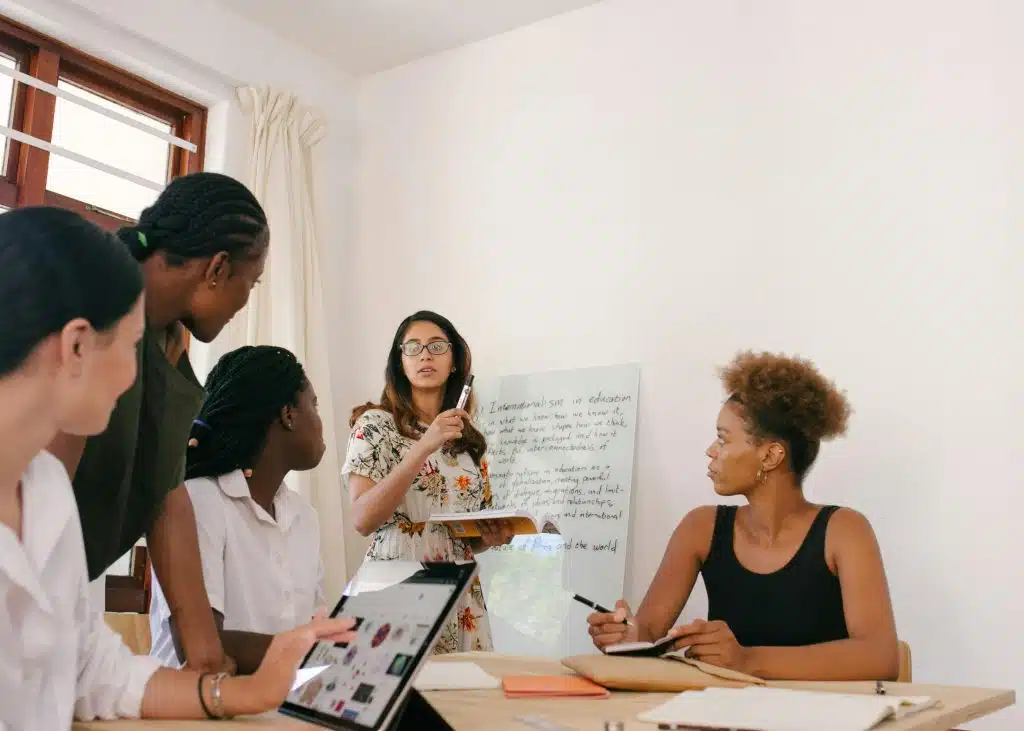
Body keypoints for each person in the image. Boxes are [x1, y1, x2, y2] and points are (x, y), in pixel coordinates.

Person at [0, 207, 353, 729]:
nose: (140, 376)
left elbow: (97, 671)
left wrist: (246, 692)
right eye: (131, 346)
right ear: (76, 345)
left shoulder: (48, 490)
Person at [46, 172, 269, 674]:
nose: (245, 301)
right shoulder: (96, 304)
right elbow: (41, 496)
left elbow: (167, 500)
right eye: (250, 283)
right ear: (217, 268)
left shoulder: (166, 343)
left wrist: (208, 661)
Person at [587, 351, 899, 681]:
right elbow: (648, 632)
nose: (711, 450)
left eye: (723, 438)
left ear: (770, 455)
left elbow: (880, 657)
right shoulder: (700, 528)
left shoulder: (845, 531)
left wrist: (747, 660)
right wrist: (627, 637)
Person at [150, 345, 328, 674]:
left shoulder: (304, 516)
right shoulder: (199, 501)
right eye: (314, 405)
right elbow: (199, 644)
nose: (320, 421)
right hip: (191, 713)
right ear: (288, 414)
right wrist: (316, 648)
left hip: (275, 706)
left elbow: (315, 629)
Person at [343, 310, 513, 653]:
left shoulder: (469, 442)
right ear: (400, 363)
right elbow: (362, 519)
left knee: (462, 701)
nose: (425, 355)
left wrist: (490, 538)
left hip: (459, 590)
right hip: (397, 582)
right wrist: (423, 446)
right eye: (413, 347)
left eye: (437, 346)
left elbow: (458, 535)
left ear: (454, 362)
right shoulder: (375, 424)